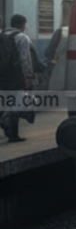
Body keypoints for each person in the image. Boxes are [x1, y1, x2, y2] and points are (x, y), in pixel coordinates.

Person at [0, 14, 36, 143]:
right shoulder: (22, 37)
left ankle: (4, 122)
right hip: (15, 75)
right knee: (15, 104)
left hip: (2, 75)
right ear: (23, 24)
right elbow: (25, 59)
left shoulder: (2, 34)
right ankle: (13, 135)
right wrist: (29, 77)